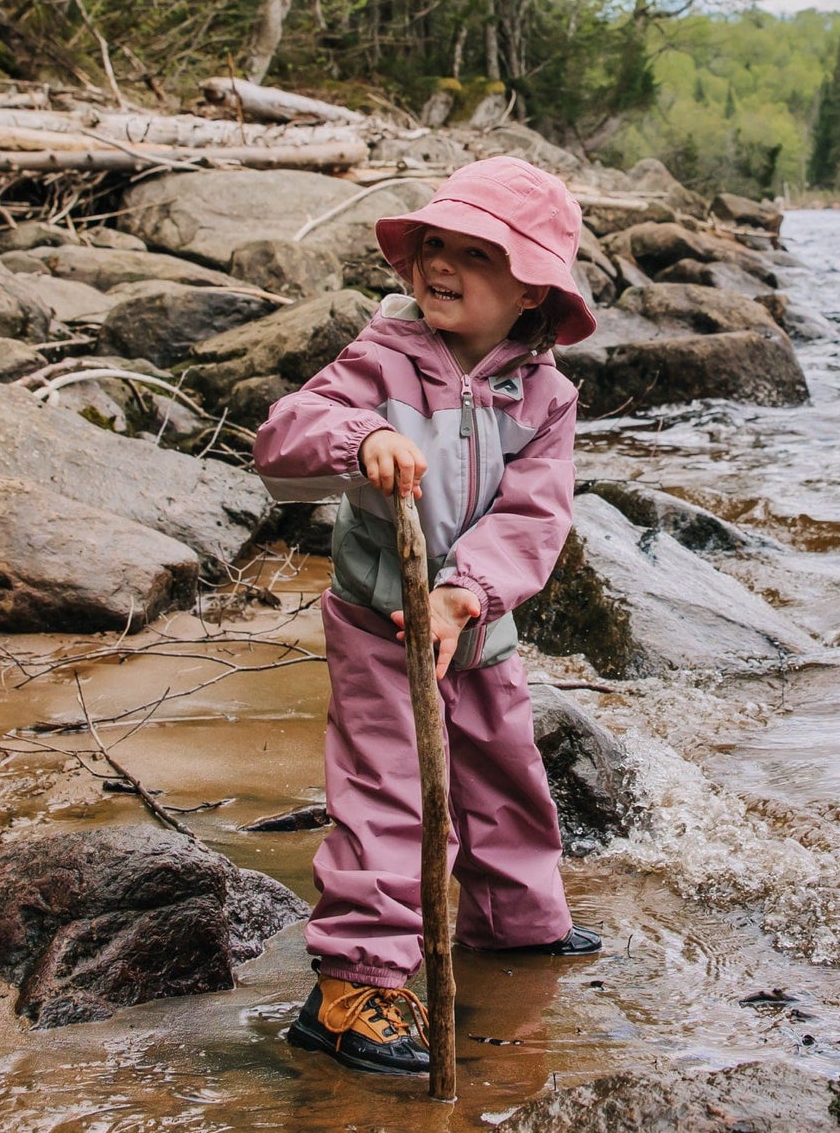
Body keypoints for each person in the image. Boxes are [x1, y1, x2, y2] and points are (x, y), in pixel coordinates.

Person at [253, 156, 602, 1077]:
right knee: (390, 795)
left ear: (533, 292)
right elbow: (281, 442)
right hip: (379, 621)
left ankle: (513, 921)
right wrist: (359, 435)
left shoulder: (546, 394)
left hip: (479, 622)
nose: (440, 266)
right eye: (434, 246)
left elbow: (536, 514)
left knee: (503, 775)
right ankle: (354, 985)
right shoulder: (380, 360)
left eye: (476, 255)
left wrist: (468, 591)